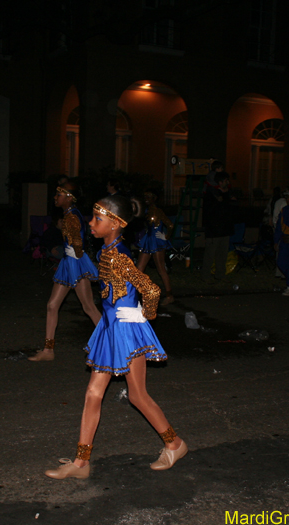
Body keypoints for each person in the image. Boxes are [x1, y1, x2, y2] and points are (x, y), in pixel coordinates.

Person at [43, 195, 187, 480]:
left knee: (138, 395)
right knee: (93, 393)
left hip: (126, 331)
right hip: (110, 328)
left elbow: (152, 290)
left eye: (98, 219)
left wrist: (142, 315)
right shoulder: (107, 250)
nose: (91, 223)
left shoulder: (120, 255)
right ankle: (81, 463)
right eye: (93, 217)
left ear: (116, 224)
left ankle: (175, 444)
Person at [29, 182, 102, 361]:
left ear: (69, 197)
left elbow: (78, 242)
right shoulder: (70, 214)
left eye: (59, 194)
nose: (55, 197)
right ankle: (48, 350)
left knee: (89, 307)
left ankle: (112, 342)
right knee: (52, 305)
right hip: (70, 262)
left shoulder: (71, 216)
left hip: (75, 264)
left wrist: (75, 252)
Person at [136, 188, 175, 305]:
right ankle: (135, 294)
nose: (146, 199)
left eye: (149, 197)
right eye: (145, 197)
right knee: (139, 269)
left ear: (154, 198)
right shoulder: (146, 211)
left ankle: (169, 295)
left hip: (156, 241)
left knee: (161, 269)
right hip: (148, 239)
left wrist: (166, 237)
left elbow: (170, 225)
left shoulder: (158, 211)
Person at [201, 171, 235, 283]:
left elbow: (231, 208)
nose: (228, 183)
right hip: (214, 229)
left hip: (225, 229)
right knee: (210, 254)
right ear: (220, 182)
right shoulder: (211, 195)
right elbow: (209, 211)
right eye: (226, 180)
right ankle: (206, 275)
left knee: (222, 254)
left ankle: (220, 274)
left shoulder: (227, 194)